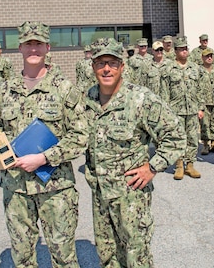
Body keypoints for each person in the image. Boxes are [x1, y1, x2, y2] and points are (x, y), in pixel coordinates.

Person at [0, 21, 88, 268]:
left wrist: (44, 158)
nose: (33, 49)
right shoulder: (5, 90)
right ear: (19, 48)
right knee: (22, 256)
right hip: (16, 187)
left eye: (38, 44)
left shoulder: (64, 89)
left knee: (64, 256)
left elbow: (81, 136)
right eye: (28, 44)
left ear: (47, 47)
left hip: (56, 188)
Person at [84, 37, 185, 268]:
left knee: (136, 256)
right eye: (100, 63)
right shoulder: (88, 98)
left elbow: (176, 135)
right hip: (100, 194)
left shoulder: (140, 99)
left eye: (112, 62)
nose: (106, 68)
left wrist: (153, 167)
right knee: (107, 254)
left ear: (122, 66)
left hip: (131, 195)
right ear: (93, 67)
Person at [160, 36, 204, 180]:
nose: (185, 51)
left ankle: (190, 165)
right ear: (176, 51)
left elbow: (199, 89)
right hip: (175, 110)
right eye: (181, 49)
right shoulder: (168, 68)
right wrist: (166, 112)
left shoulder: (195, 68)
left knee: (192, 138)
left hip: (192, 109)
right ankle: (179, 166)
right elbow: (164, 91)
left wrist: (201, 108)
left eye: (186, 48)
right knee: (177, 139)